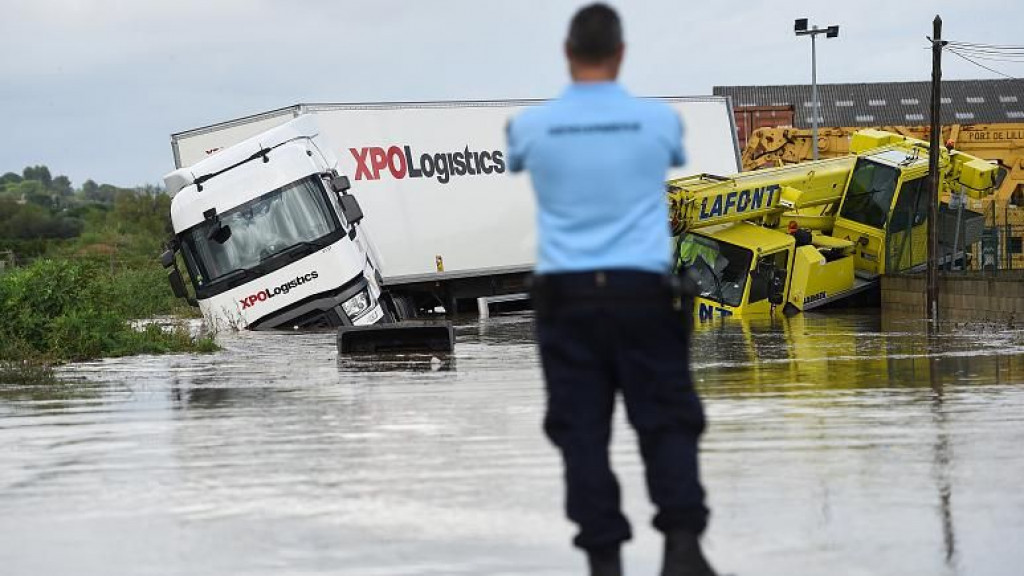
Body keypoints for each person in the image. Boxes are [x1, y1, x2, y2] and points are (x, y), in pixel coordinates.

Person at [506, 4, 716, 576]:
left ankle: (603, 558)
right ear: (621, 54)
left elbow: (517, 161)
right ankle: (681, 545)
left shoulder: (529, 127)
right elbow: (670, 160)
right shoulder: (660, 122)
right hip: (644, 296)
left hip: (567, 300)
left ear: (567, 53)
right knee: (666, 419)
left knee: (581, 431)